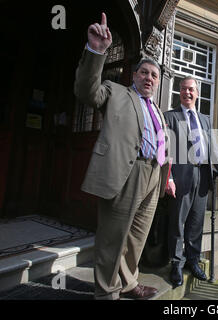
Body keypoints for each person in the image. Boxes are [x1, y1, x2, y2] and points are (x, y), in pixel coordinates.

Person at [74, 13, 171, 300]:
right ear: (135, 75)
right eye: (144, 73)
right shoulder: (116, 93)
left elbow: (163, 145)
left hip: (154, 175)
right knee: (112, 237)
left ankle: (128, 283)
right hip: (126, 172)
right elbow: (86, 91)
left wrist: (167, 176)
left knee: (136, 237)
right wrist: (96, 51)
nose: (149, 78)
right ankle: (105, 292)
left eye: (154, 75)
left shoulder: (158, 111)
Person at [164, 76, 218, 287]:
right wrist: (168, 177)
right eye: (184, 89)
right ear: (180, 92)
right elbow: (165, 151)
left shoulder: (205, 119)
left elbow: (212, 150)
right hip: (180, 178)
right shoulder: (170, 116)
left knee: (196, 223)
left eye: (191, 90)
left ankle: (193, 261)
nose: (188, 93)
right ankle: (176, 264)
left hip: (203, 177)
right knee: (177, 223)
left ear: (197, 93)